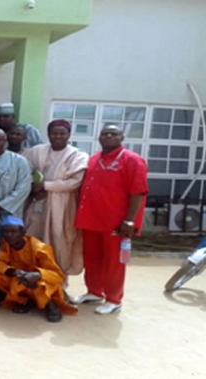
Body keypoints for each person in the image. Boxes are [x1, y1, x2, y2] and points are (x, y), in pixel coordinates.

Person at [71, 125, 148, 315]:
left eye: (113, 134)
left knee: (114, 262)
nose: (108, 136)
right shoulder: (95, 159)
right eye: (104, 133)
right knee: (92, 258)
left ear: (122, 137)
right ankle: (94, 291)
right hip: (91, 219)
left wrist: (130, 221)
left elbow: (138, 192)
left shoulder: (133, 160)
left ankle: (114, 299)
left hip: (116, 223)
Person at [23, 119, 89, 284]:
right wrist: (32, 187)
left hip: (64, 203)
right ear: (48, 135)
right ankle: (31, 280)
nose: (58, 136)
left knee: (59, 239)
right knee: (32, 234)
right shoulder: (38, 151)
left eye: (62, 133)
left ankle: (58, 283)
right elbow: (23, 169)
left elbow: (74, 182)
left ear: (69, 135)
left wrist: (45, 185)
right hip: (40, 201)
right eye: (54, 133)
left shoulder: (77, 155)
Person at [0, 216, 77, 322]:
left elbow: (57, 276)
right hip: (19, 278)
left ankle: (49, 304)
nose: (9, 235)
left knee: (39, 284)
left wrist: (37, 275)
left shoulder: (40, 248)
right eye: (6, 232)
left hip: (38, 280)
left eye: (13, 232)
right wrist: (14, 271)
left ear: (23, 232)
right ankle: (25, 301)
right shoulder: (5, 244)